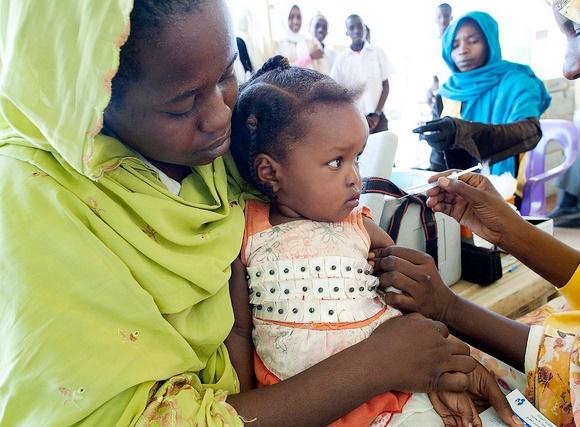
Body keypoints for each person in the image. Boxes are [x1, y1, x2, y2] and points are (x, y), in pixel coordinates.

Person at [0, 0, 517, 425]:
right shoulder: (38, 207)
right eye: (182, 106)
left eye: (230, 74)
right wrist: (377, 365)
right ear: (88, 99)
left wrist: (425, 350)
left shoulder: (222, 156)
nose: (223, 115)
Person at [373, 1, 580, 425]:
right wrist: (509, 231)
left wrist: (449, 308)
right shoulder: (450, 87)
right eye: (454, 41)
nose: (569, 67)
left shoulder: (514, 81)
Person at [229, 56, 506, 426]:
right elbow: (240, 329)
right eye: (335, 163)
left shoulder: (359, 225)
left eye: (357, 159)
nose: (355, 179)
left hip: (393, 393)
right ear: (270, 172)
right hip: (304, 405)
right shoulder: (246, 233)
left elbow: (403, 292)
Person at [415, 12, 551, 178]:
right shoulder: (447, 93)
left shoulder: (518, 81)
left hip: (506, 184)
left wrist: (462, 132)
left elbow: (530, 131)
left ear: (489, 43)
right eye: (455, 45)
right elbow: (439, 161)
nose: (463, 50)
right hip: (456, 187)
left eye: (473, 41)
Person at [331, 15, 391, 134]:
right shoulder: (341, 60)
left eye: (359, 26)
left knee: (382, 150)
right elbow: (338, 93)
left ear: (364, 27)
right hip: (354, 121)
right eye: (352, 28)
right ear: (347, 32)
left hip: (379, 118)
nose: (357, 30)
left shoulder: (377, 53)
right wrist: (357, 116)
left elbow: (386, 86)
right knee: (359, 153)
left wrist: (377, 114)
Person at [276, 4, 325, 70]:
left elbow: (321, 70)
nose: (295, 21)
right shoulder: (279, 45)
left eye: (299, 17)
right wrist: (310, 57)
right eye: (291, 17)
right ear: (285, 19)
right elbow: (281, 71)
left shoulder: (311, 42)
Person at [426, 3, 454, 114]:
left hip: (456, 97)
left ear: (451, 18)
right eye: (439, 17)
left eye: (446, 16)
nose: (443, 20)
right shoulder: (434, 45)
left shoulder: (456, 43)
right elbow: (436, 81)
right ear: (435, 19)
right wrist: (429, 90)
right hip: (442, 97)